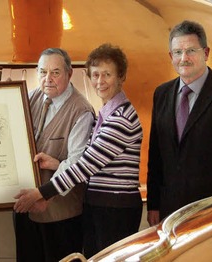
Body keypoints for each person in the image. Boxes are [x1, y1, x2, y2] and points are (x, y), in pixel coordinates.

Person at [14, 43, 143, 257]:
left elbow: (85, 166)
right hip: (100, 206)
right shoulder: (108, 113)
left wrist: (40, 194)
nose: (100, 82)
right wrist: (56, 164)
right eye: (95, 75)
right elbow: (95, 161)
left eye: (107, 75)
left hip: (114, 209)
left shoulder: (120, 119)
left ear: (121, 77)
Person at [146, 20, 212, 226]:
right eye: (177, 52)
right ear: (171, 56)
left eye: (191, 51)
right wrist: (153, 204)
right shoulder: (161, 94)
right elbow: (156, 155)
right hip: (170, 211)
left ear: (206, 53)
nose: (184, 58)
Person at [12, 48, 95, 262]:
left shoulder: (81, 110)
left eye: (55, 72)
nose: (47, 79)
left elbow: (76, 164)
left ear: (69, 74)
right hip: (26, 209)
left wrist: (44, 194)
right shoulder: (31, 97)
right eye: (42, 72)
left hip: (61, 216)